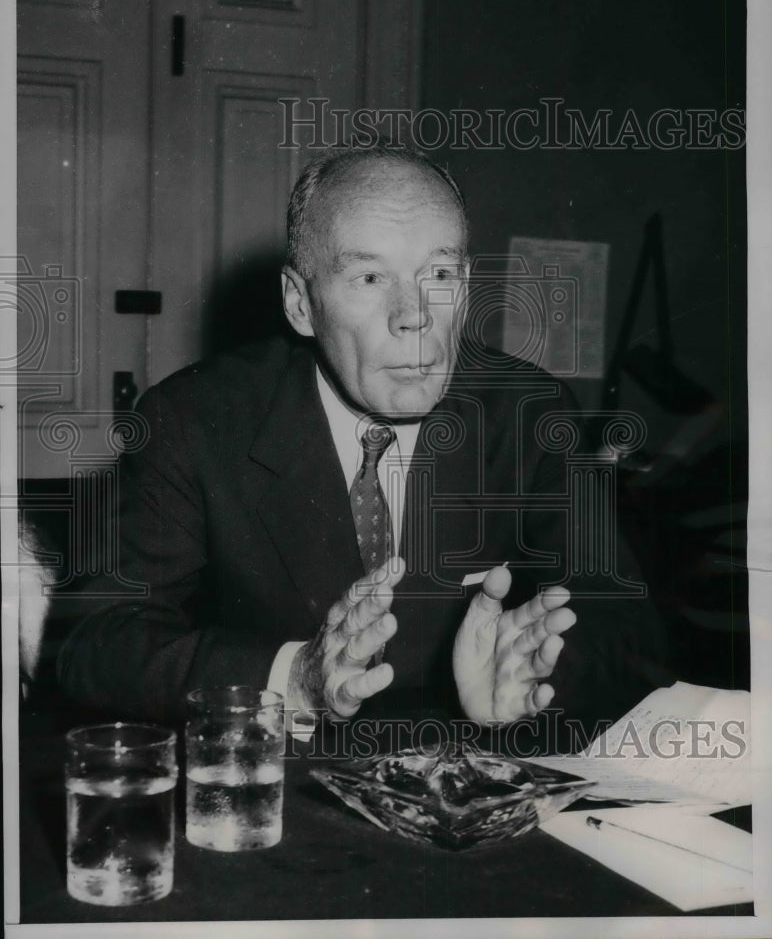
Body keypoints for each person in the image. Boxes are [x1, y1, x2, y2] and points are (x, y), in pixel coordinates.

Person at [58, 146, 670, 741]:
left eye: (439, 273)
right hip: (287, 786)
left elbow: (630, 631)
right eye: (370, 276)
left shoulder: (529, 411)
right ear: (300, 303)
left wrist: (539, 674)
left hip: (462, 788)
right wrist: (293, 680)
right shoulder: (193, 418)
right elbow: (98, 639)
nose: (414, 315)